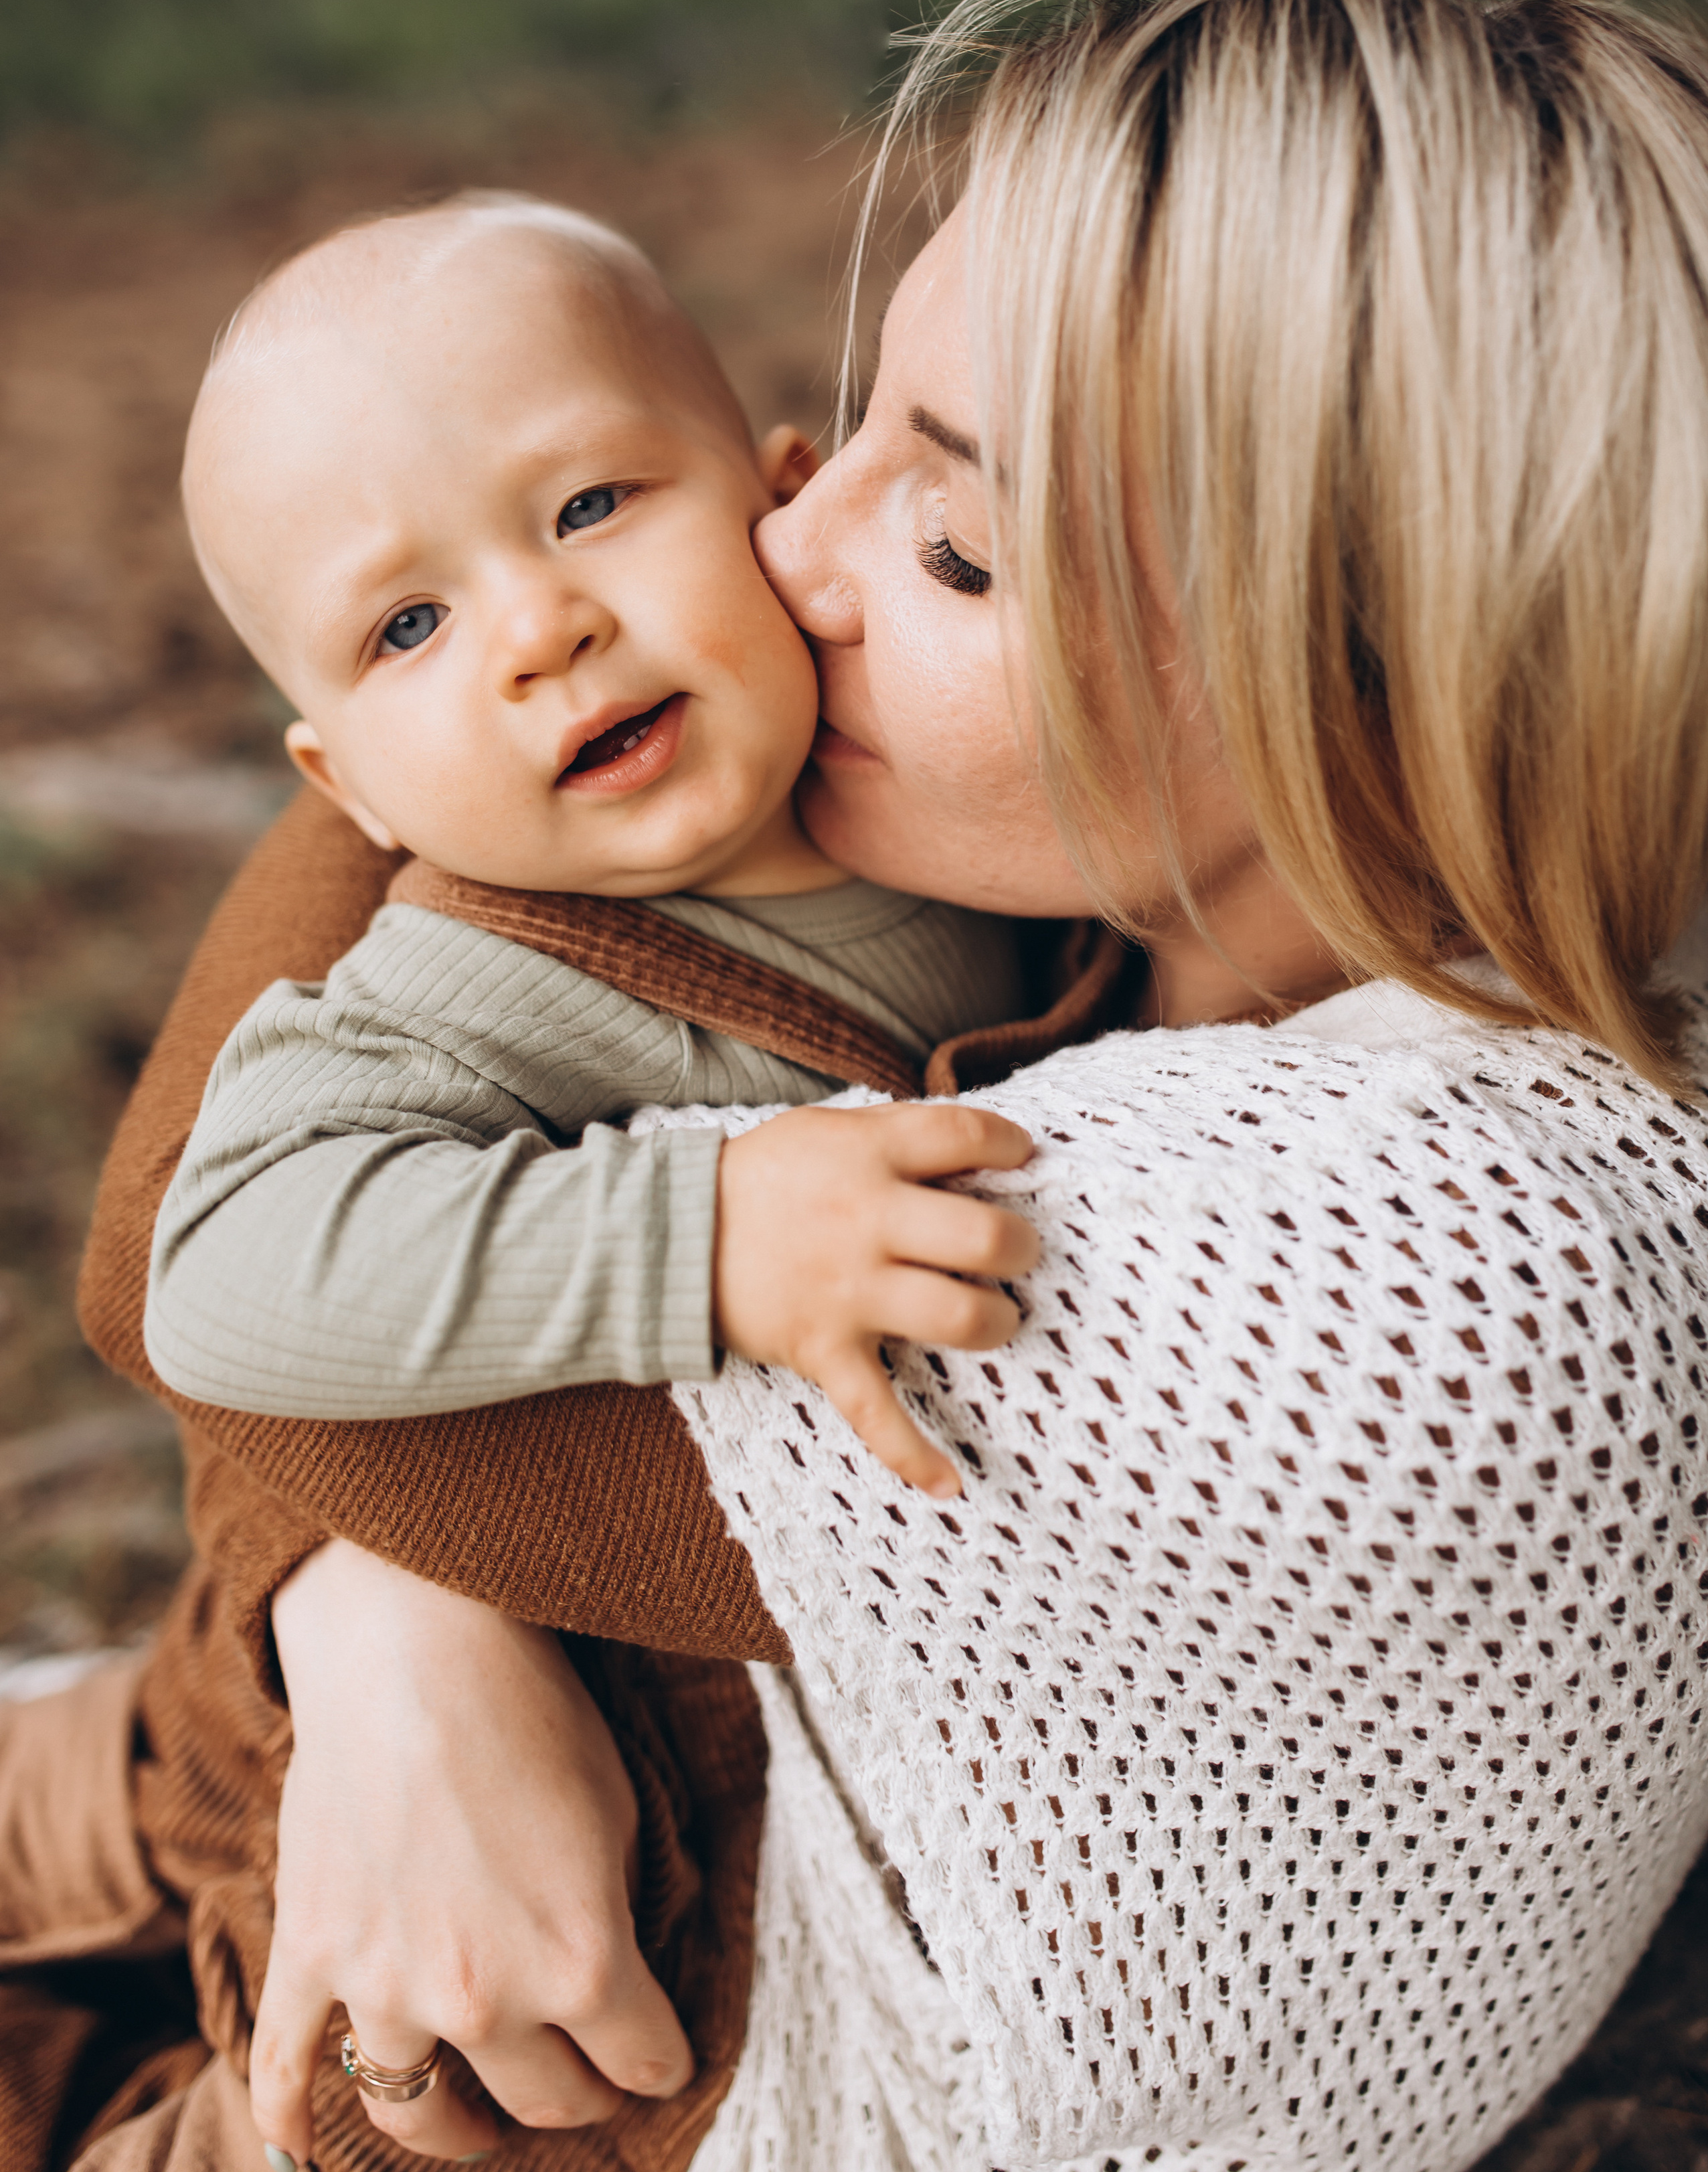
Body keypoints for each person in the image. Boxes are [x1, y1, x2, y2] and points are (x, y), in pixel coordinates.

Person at [7, 0, 1708, 2172]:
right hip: (355, 1799)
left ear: (1371, 681)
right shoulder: (1111, 901)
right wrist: (383, 1625)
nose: (784, 537)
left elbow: (221, 1289)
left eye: (954, 545)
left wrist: (387, 1588)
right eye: (853, 425)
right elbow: (265, 1172)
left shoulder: (1365, 1278)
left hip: (563, 2051)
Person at [145, 190, 1039, 1495]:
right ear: (352, 789)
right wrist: (701, 1237)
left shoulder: (977, 770)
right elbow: (219, 1269)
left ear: (786, 500)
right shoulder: (475, 990)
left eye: (588, 505)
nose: (540, 630)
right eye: (407, 625)